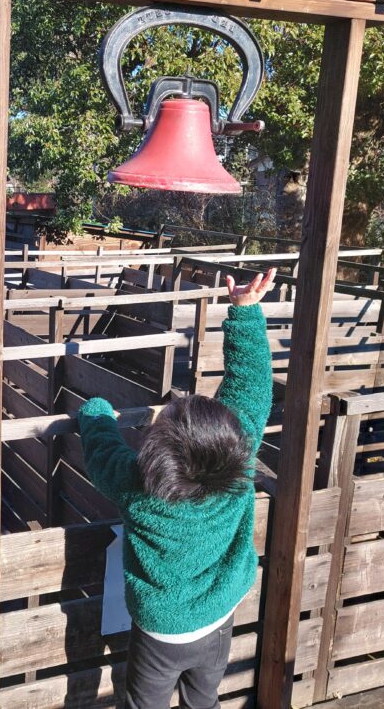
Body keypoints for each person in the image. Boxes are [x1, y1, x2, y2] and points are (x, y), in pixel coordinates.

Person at [78, 267, 276, 709]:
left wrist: (96, 409)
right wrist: (245, 312)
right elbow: (252, 387)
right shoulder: (240, 463)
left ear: (157, 450)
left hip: (160, 630)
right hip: (219, 614)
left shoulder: (136, 485)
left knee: (144, 703)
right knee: (204, 697)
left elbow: (100, 449)